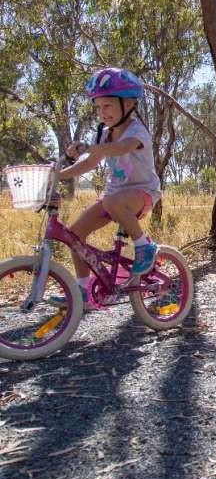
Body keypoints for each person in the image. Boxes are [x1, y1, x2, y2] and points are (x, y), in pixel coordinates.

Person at [55, 68, 161, 307]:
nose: (102, 113)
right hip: (115, 198)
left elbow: (121, 148)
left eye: (108, 106)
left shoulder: (137, 131)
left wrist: (88, 147)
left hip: (143, 194)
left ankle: (144, 245)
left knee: (112, 201)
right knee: (75, 235)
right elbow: (90, 164)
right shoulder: (104, 135)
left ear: (130, 104)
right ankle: (83, 292)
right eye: (98, 107)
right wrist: (58, 175)